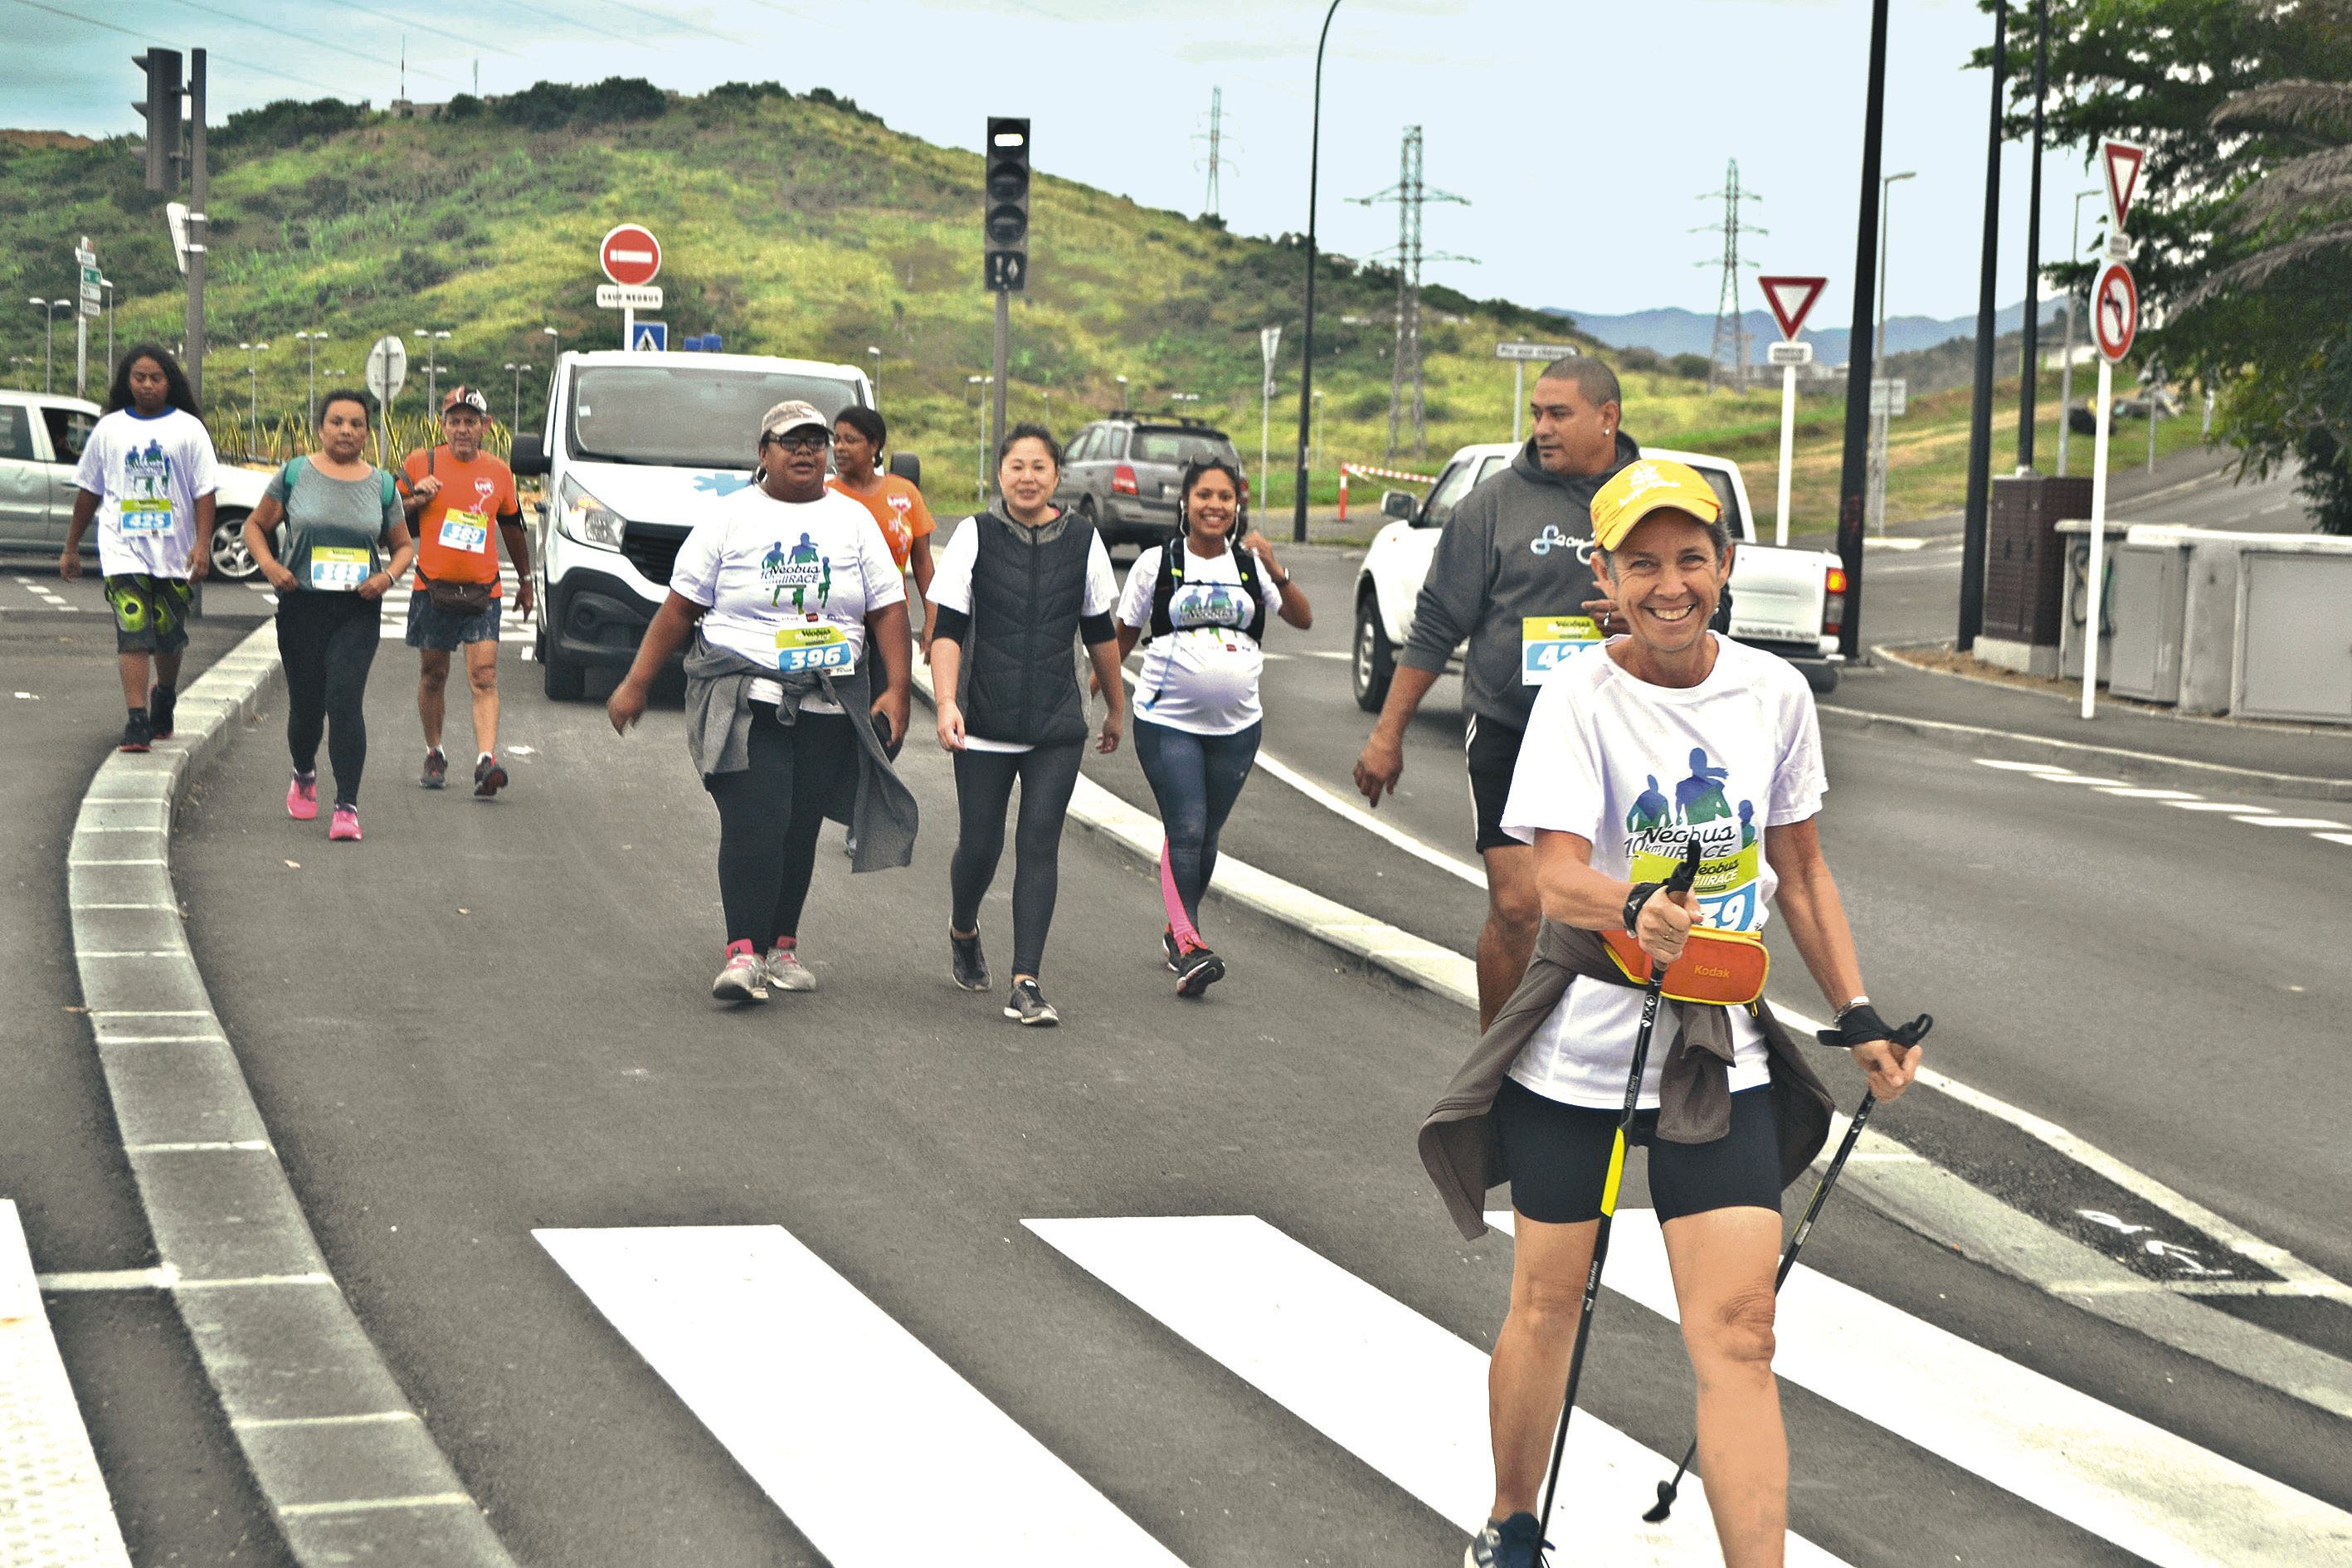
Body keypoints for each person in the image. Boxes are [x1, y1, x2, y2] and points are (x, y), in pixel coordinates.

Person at [1415, 458, 1921, 1568]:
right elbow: (1551, 876)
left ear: (1723, 566)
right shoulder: (1577, 698)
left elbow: (1798, 872)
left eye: (1688, 557)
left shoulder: (1771, 695)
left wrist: (1858, 1010)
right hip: (1583, 1049)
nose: (1667, 582)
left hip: (1713, 1047)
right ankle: (1508, 1520)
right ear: (1603, 576)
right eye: (1639, 561)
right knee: (1547, 1300)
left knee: (1738, 1333)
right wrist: (1632, 903)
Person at [1354, 356, 1639, 1030]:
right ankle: (1495, 1070)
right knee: (1518, 907)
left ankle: (1599, 1063)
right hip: (1513, 729)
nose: (1540, 427)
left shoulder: (1648, 500)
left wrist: (1639, 620)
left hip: (1623, 738)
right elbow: (1434, 626)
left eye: (1557, 414)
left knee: (1617, 911)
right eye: (1535, 413)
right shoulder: (1491, 506)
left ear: (1607, 417)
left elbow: (1709, 608)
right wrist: (1386, 734)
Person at [606, 400, 917, 1004]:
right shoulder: (728, 520)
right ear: (763, 453)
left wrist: (897, 690)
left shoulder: (854, 522)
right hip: (744, 694)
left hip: (828, 699)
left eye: (814, 441)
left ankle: (781, 947)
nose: (804, 451)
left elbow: (888, 608)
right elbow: (679, 608)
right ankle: (742, 954)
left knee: (798, 827)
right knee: (758, 817)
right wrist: (636, 682)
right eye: (789, 441)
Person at [928, 423, 1125, 1026]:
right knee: (980, 844)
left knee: (1039, 842)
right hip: (983, 719)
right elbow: (947, 630)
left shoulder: (1084, 540)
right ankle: (964, 928)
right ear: (999, 474)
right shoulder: (975, 535)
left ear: (1057, 476)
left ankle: (1026, 981)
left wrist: (1116, 706)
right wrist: (944, 703)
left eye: (1039, 467)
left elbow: (1099, 633)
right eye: (1016, 466)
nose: (1027, 477)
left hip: (1056, 722)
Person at [1111, 458, 1310, 996]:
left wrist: (1275, 566)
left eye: (1225, 497)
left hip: (1238, 726)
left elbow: (1302, 618)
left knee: (1204, 836)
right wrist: (1104, 695)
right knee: (1188, 826)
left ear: (1236, 505)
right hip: (1166, 720)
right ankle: (1188, 942)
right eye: (1204, 495)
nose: (1215, 505)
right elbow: (1121, 636)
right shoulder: (1158, 562)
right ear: (1186, 502)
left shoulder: (1249, 564)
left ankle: (1182, 930)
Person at [242, 391, 413, 842]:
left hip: (357, 607)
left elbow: (403, 546)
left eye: (356, 424)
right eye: (337, 422)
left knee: (344, 698)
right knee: (306, 706)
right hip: (303, 603)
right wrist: (272, 567)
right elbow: (255, 526)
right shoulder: (295, 474)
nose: (346, 431)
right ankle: (303, 772)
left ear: (367, 433)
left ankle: (347, 806)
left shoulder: (381, 485)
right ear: (320, 428)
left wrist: (388, 579)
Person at [59, 345, 218, 752]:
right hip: (122, 549)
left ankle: (163, 695)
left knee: (168, 636)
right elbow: (90, 490)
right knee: (133, 629)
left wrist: (202, 546)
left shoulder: (189, 429)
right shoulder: (109, 429)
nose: (147, 385)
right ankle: (136, 719)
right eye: (139, 378)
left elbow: (204, 494)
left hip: (175, 553)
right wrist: (71, 546)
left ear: (170, 382)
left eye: (156, 378)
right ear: (126, 382)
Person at [399, 385, 533, 796]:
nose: (462, 429)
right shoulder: (421, 462)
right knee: (433, 674)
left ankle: (486, 761)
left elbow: (512, 527)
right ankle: (435, 752)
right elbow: (388, 517)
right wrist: (416, 498)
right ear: (442, 425)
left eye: (470, 422)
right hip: (432, 588)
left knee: (484, 676)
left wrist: (526, 581)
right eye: (454, 421)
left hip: (483, 592)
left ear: (485, 427)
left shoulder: (498, 472)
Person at [826, 407, 936, 635]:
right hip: (837, 621)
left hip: (891, 619)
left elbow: (923, 561)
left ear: (874, 446)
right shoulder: (824, 494)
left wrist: (933, 619)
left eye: (850, 440)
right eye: (836, 440)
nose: (840, 448)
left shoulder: (905, 492)